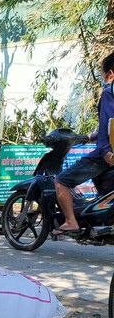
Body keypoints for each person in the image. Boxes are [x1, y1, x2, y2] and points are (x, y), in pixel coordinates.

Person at [54, 51, 114, 234]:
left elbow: (109, 123)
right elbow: (110, 127)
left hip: (106, 155)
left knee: (61, 180)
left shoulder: (109, 93)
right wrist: (90, 137)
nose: (102, 77)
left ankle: (71, 221)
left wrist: (104, 151)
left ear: (110, 73)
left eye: (102, 73)